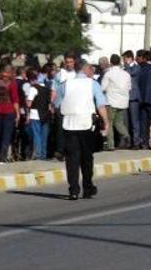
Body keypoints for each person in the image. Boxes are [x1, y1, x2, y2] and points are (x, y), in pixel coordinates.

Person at [57, 60, 109, 200]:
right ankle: (87, 187)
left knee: (72, 159)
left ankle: (73, 189)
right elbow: (101, 104)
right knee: (87, 157)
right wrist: (106, 122)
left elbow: (56, 103)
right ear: (86, 69)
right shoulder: (92, 84)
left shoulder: (65, 85)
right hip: (86, 124)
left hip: (69, 124)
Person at [0, 64, 20, 165]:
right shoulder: (11, 84)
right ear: (9, 73)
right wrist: (17, 114)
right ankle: (1, 158)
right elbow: (15, 100)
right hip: (8, 111)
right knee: (6, 135)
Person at [100, 54, 131, 150]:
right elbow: (129, 88)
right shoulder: (126, 74)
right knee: (119, 122)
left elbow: (103, 88)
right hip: (123, 102)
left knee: (109, 122)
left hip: (111, 101)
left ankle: (110, 145)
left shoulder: (109, 74)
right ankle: (126, 135)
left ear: (111, 62)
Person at [52, 52, 77, 160]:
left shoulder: (77, 75)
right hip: (61, 106)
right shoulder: (59, 75)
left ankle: (70, 151)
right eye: (67, 62)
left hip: (73, 106)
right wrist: (52, 104)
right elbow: (54, 90)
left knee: (72, 130)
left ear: (74, 62)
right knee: (60, 130)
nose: (69, 64)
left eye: (71, 62)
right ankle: (60, 151)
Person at [25, 69, 52, 160]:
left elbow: (29, 103)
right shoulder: (46, 88)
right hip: (45, 115)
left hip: (35, 114)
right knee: (44, 136)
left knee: (37, 135)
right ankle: (43, 154)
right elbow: (49, 104)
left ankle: (38, 154)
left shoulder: (33, 89)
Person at [123, 50, 142, 149]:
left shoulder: (136, 68)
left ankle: (136, 142)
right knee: (127, 121)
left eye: (125, 59)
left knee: (135, 121)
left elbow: (129, 74)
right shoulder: (126, 68)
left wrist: (126, 67)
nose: (124, 61)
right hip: (126, 97)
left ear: (130, 58)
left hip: (134, 97)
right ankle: (129, 141)